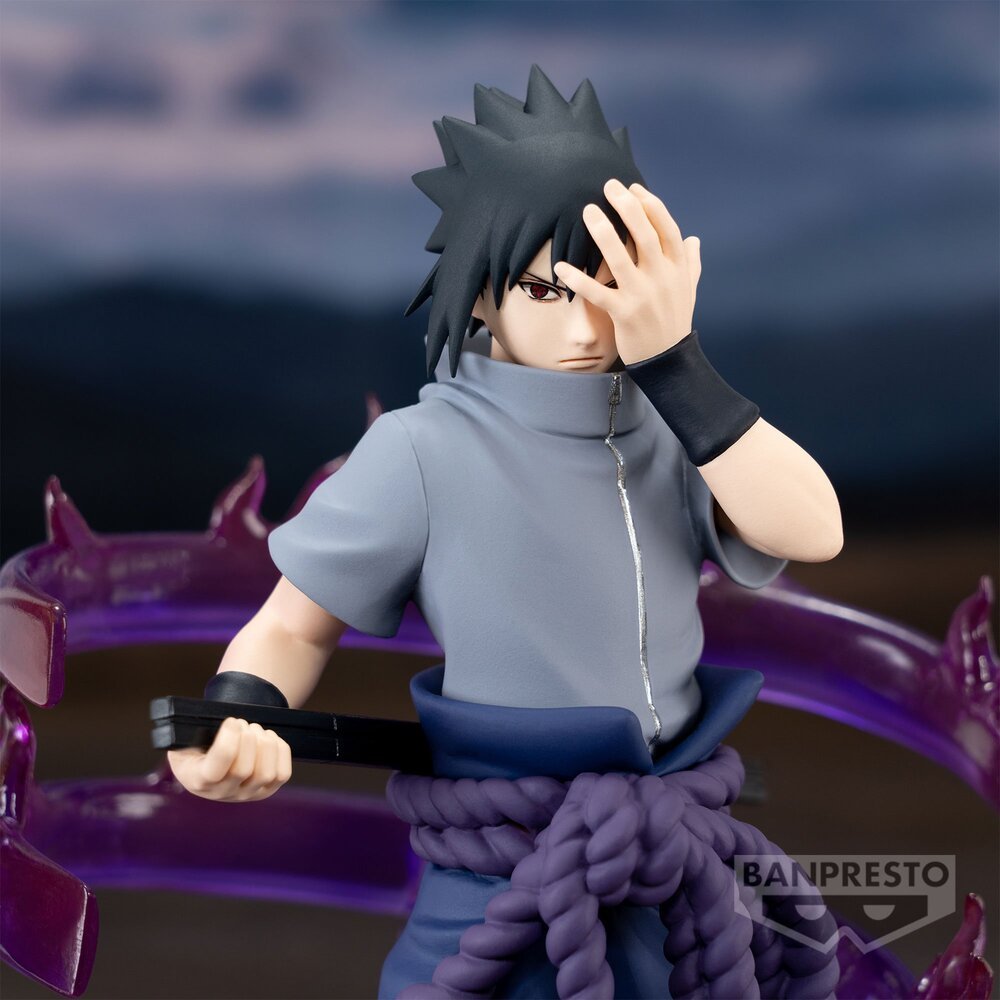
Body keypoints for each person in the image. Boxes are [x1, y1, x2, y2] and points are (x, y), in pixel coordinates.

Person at [167, 66, 842, 998]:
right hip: (505, 870)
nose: (585, 323)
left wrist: (679, 366)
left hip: (674, 868)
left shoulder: (677, 431)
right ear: (482, 296)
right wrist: (239, 709)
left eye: (607, 285)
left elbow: (813, 527)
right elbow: (292, 623)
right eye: (544, 289)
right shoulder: (422, 450)